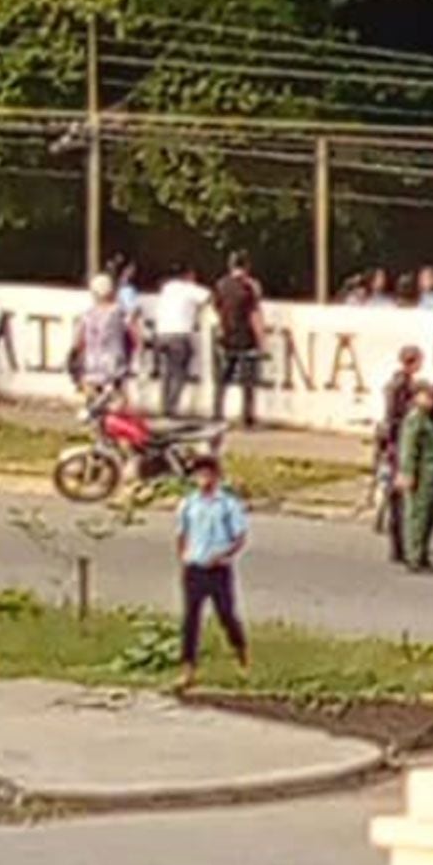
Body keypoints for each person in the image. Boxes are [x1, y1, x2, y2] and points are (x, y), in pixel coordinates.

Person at [174, 456, 250, 690]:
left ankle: (241, 657)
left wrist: (223, 555)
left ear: (217, 477)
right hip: (194, 567)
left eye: (208, 475)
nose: (204, 480)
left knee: (226, 614)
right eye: (200, 475)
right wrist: (184, 558)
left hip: (218, 569)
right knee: (190, 619)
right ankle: (188, 669)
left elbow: (239, 537)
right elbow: (181, 533)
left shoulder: (228, 505)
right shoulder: (188, 504)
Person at [379, 346, 423, 565]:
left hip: (394, 443)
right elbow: (397, 419)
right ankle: (400, 545)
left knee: (396, 497)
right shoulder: (402, 388)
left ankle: (399, 544)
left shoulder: (396, 385)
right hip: (399, 444)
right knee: (400, 499)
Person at [212, 251, 266, 427]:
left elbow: (217, 310)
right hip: (245, 337)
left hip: (226, 337)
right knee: (248, 381)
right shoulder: (250, 286)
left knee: (223, 379)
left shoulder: (221, 285)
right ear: (247, 267)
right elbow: (254, 313)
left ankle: (217, 413)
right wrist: (261, 339)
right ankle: (247, 417)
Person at [393, 381, 433, 574]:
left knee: (427, 514)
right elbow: (408, 448)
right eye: (427, 396)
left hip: (429, 472)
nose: (431, 400)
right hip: (419, 473)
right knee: (417, 515)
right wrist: (407, 472)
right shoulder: (415, 419)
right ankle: (414, 557)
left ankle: (422, 554)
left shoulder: (427, 419)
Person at [153, 265, 209, 418]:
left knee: (167, 372)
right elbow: (207, 297)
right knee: (179, 372)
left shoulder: (167, 288)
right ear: (188, 275)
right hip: (179, 334)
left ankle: (163, 405)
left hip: (161, 334)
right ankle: (172, 407)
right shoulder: (189, 289)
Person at [74, 272, 132, 397]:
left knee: (92, 397)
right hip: (114, 363)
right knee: (116, 400)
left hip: (92, 362)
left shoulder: (87, 314)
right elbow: (131, 332)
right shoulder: (119, 312)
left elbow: (78, 340)